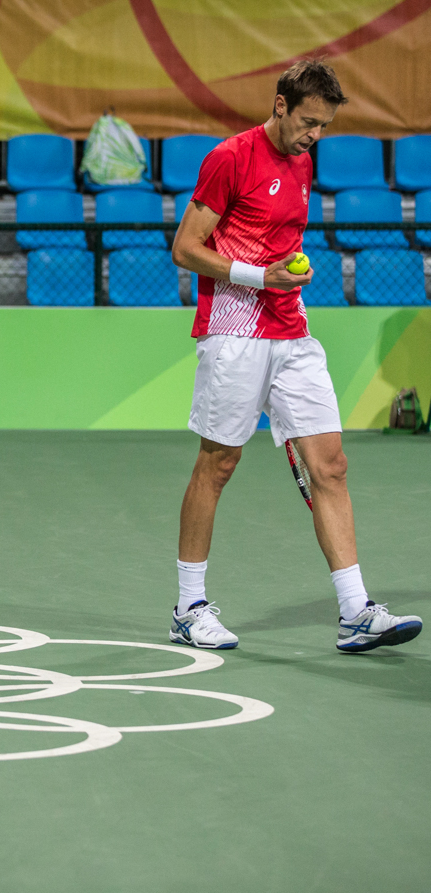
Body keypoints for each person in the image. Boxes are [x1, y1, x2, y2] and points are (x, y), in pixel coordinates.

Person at [168, 59, 420, 654]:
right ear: (280, 105)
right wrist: (261, 275)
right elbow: (185, 248)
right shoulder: (230, 157)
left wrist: (287, 275)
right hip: (234, 331)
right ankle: (188, 606)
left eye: (325, 125)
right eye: (308, 121)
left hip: (292, 330)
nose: (315, 135)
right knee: (218, 464)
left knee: (329, 465)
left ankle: (356, 610)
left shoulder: (304, 161)